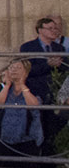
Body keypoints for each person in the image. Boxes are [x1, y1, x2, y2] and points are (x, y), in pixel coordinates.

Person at [20, 16, 66, 147]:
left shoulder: (59, 48)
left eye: (55, 28)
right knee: (35, 128)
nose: (54, 31)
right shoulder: (28, 47)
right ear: (40, 30)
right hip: (35, 92)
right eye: (50, 28)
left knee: (52, 129)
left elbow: (64, 69)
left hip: (53, 94)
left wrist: (59, 64)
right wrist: (48, 64)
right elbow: (27, 70)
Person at [0, 58, 44, 163]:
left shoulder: (34, 86)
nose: (14, 70)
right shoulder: (1, 88)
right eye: (11, 68)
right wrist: (7, 85)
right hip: (4, 138)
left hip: (28, 138)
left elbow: (35, 105)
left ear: (26, 72)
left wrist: (22, 84)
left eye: (18, 68)